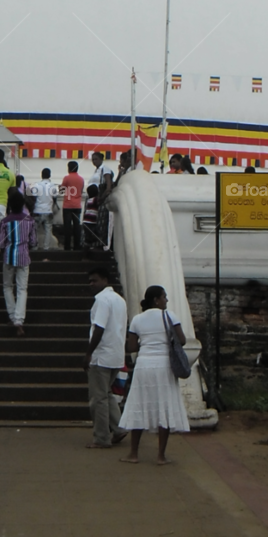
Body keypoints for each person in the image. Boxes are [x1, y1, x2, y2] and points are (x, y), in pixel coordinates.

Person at [119, 284, 190, 465]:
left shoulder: (137, 319)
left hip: (143, 366)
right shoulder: (169, 316)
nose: (166, 300)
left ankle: (133, 454)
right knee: (164, 407)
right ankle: (160, 456)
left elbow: (132, 347)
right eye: (164, 297)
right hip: (164, 366)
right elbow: (181, 340)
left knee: (138, 405)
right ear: (156, 300)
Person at [83, 265, 128, 450]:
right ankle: (119, 428)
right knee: (107, 394)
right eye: (90, 281)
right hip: (116, 354)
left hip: (101, 356)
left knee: (98, 398)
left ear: (105, 280)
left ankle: (102, 437)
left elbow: (99, 328)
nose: (91, 284)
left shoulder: (102, 300)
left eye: (95, 280)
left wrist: (88, 352)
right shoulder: (119, 300)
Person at [0, 189, 37, 336]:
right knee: (22, 289)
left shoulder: (5, 221)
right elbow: (33, 241)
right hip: (24, 257)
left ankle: (13, 317)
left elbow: (0, 244)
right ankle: (19, 320)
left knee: (7, 287)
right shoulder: (30, 220)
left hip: (8, 257)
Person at [29, 168, 59, 250]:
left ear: (41, 175)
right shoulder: (53, 185)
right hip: (48, 211)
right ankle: (46, 247)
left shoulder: (37, 185)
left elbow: (33, 197)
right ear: (49, 175)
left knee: (34, 229)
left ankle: (35, 246)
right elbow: (55, 198)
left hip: (38, 210)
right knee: (48, 230)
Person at [61, 160, 84, 250]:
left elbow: (62, 190)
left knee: (67, 227)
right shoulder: (81, 179)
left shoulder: (67, 178)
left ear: (69, 168)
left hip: (67, 205)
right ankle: (77, 246)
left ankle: (67, 246)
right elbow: (81, 191)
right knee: (77, 226)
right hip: (77, 205)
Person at [82, 185, 103, 251]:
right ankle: (86, 250)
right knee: (95, 235)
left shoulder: (89, 200)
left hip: (86, 221)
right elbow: (101, 200)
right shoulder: (95, 199)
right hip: (91, 221)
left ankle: (87, 248)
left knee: (88, 237)